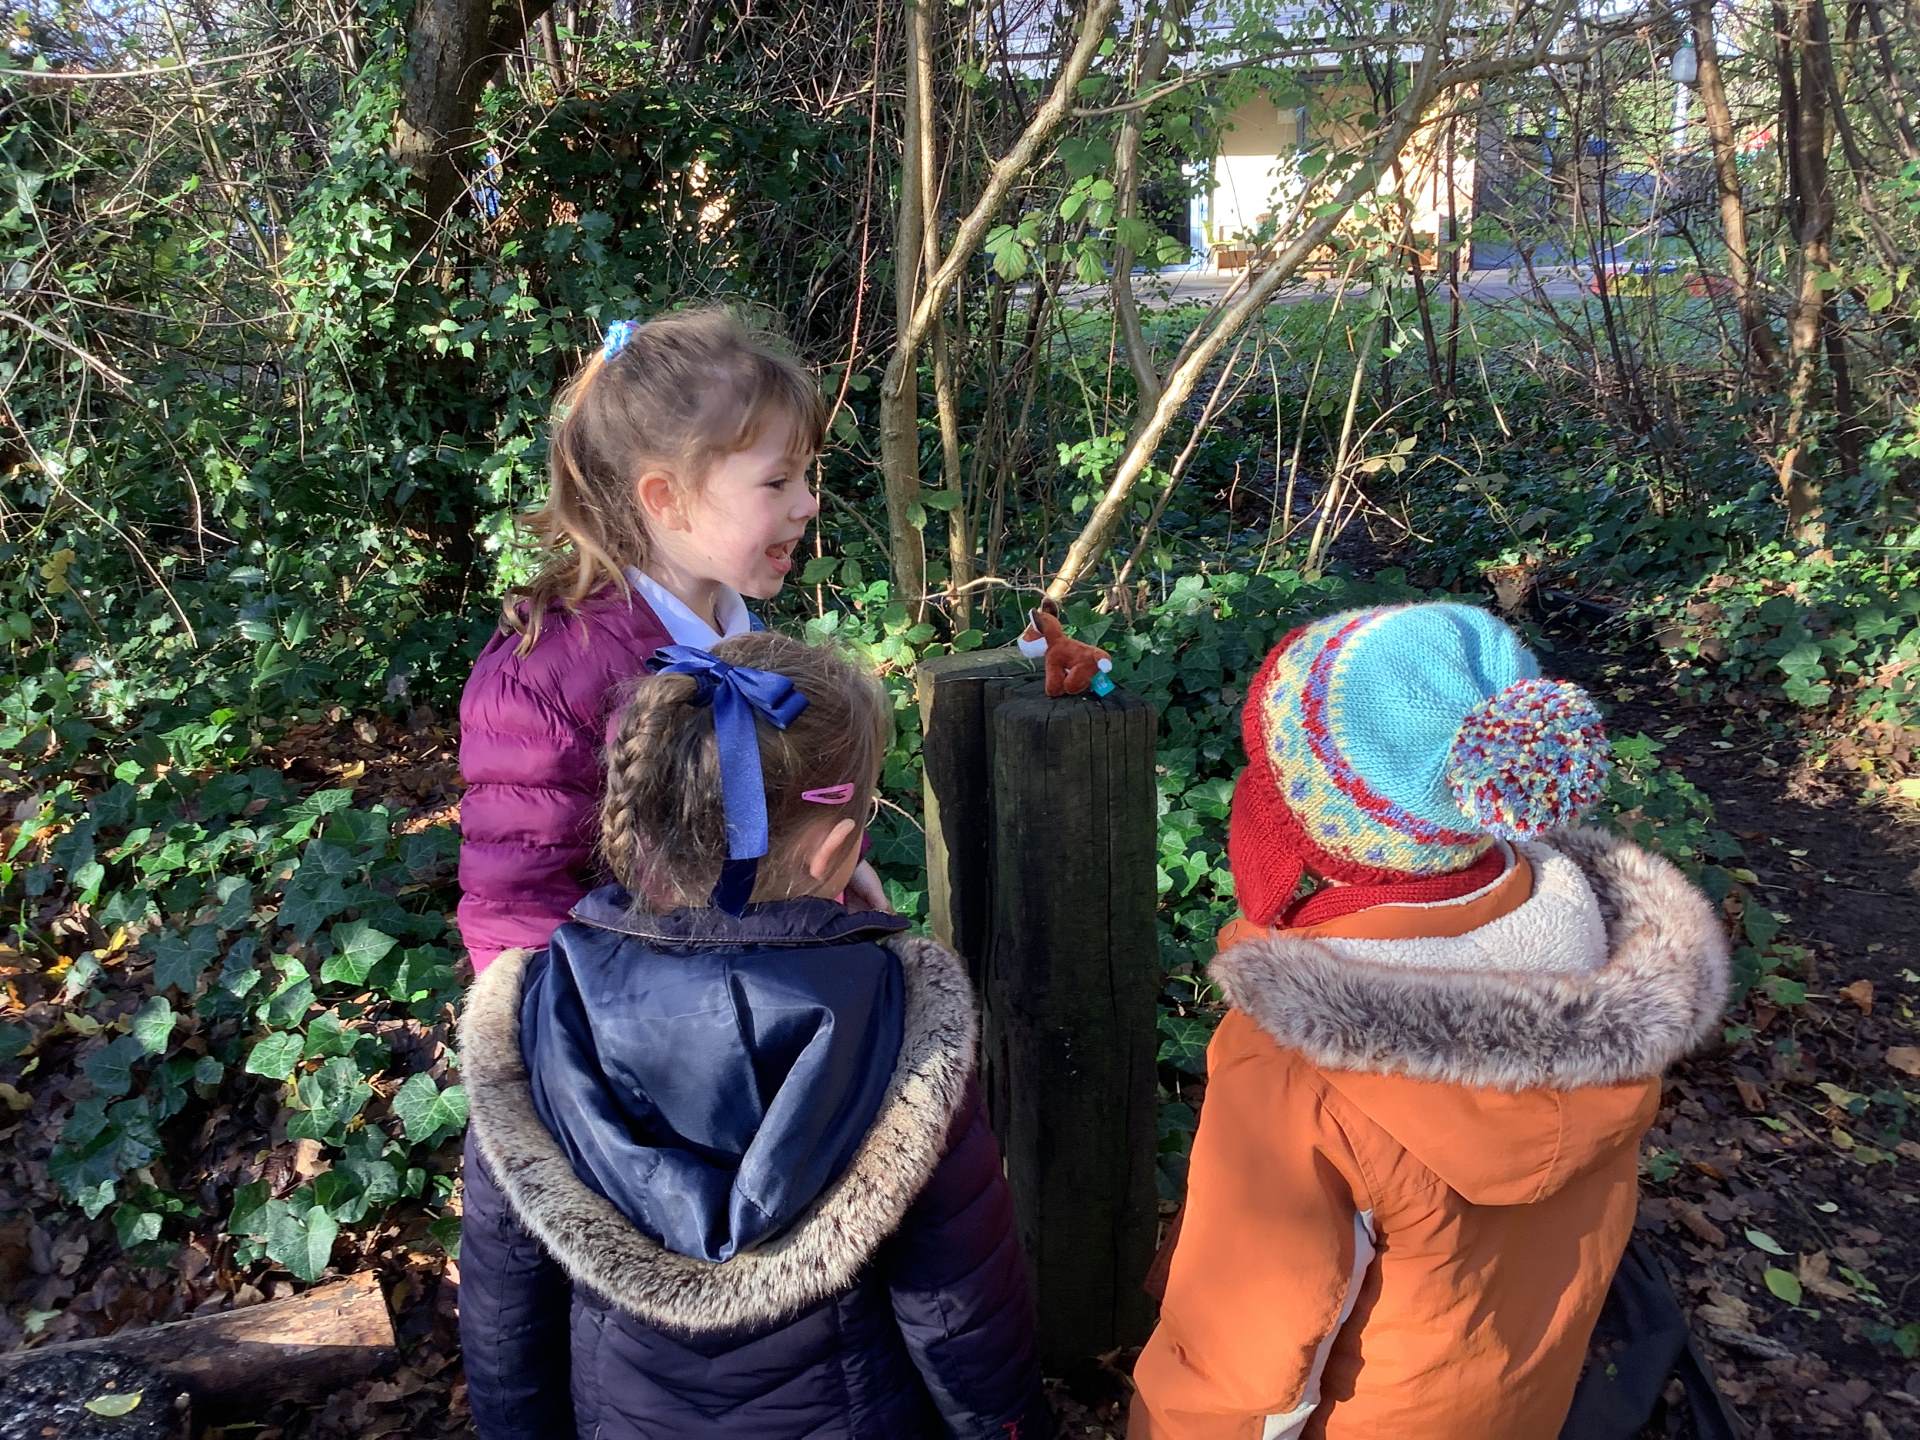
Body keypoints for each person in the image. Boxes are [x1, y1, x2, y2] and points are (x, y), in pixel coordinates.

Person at [1129, 601, 1730, 1440]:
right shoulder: (1600, 957)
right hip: (1520, 1402)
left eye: (1268, 768)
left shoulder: (1298, 1067)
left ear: (1315, 826)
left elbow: (1242, 1365)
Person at [459, 632, 1049, 1440]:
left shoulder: (536, 1014)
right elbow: (958, 1309)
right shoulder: (904, 1021)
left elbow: (504, 1309)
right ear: (837, 849)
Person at [457, 307, 885, 971]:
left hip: (762, 984)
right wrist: (562, 1025)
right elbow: (516, 906)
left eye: (806, 477)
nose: (808, 503)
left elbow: (791, 793)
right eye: (778, 481)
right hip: (636, 1013)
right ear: (666, 498)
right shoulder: (544, 679)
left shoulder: (743, 638)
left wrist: (842, 862)